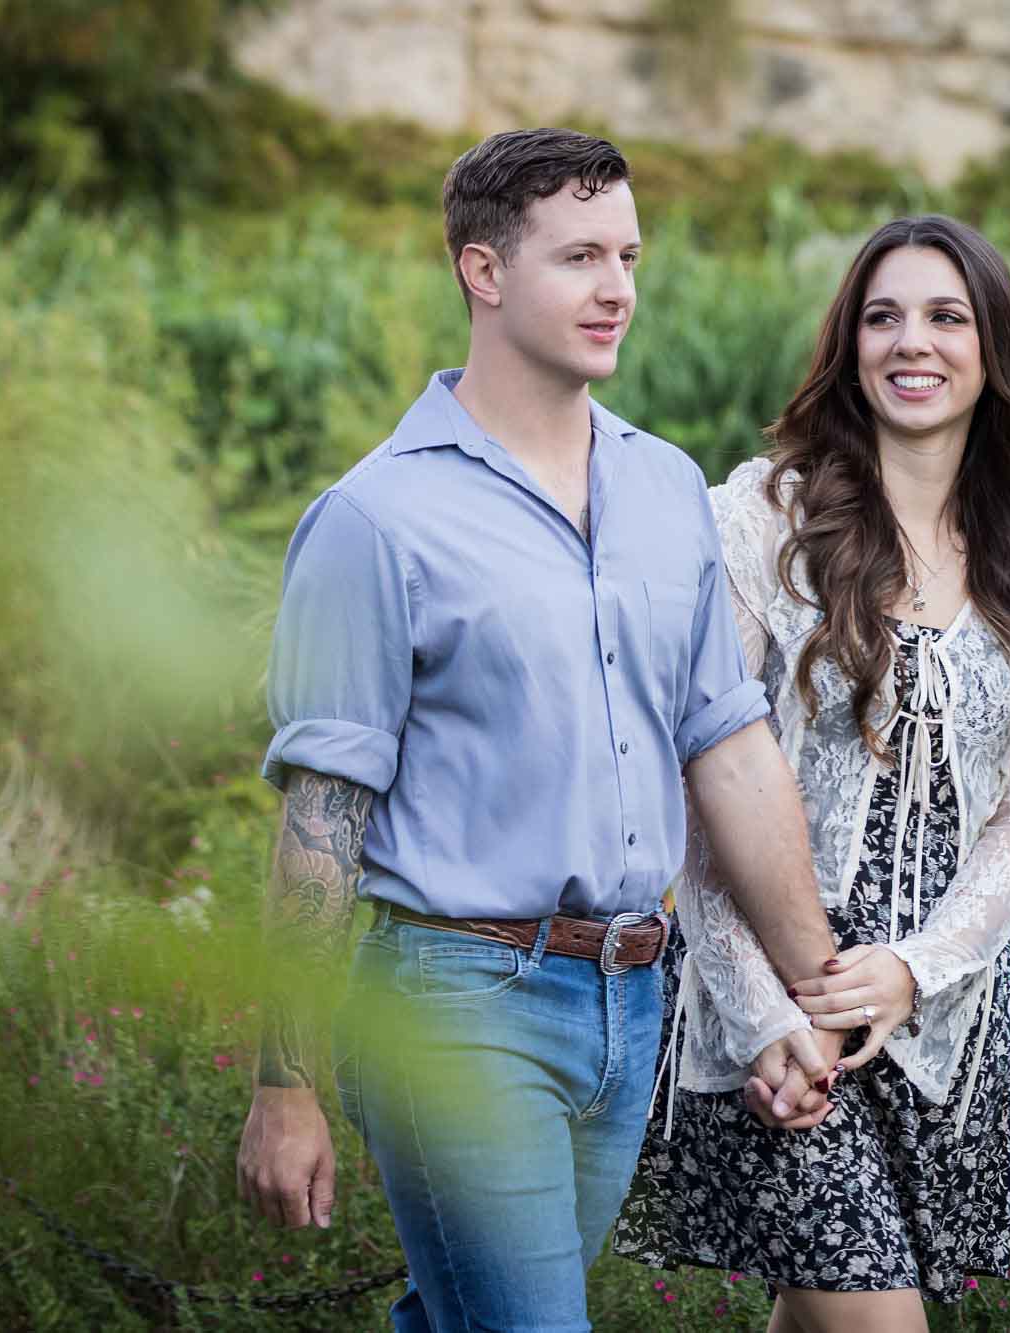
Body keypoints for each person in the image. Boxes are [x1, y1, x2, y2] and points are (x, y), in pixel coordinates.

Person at [232, 127, 845, 1333]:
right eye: (578, 256)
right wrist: (283, 1083)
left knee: (460, 1316)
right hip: (456, 998)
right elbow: (322, 819)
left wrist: (810, 995)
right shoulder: (376, 518)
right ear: (484, 271)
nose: (617, 287)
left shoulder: (669, 489)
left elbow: (727, 746)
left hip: (627, 1001)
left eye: (628, 254)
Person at [614, 215, 1010, 1332]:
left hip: (932, 1023)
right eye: (881, 317)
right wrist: (764, 1013)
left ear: (992, 351)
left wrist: (916, 970)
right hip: (777, 1005)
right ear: (848, 345)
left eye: (943, 316)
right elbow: (699, 779)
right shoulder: (761, 520)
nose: (909, 342)